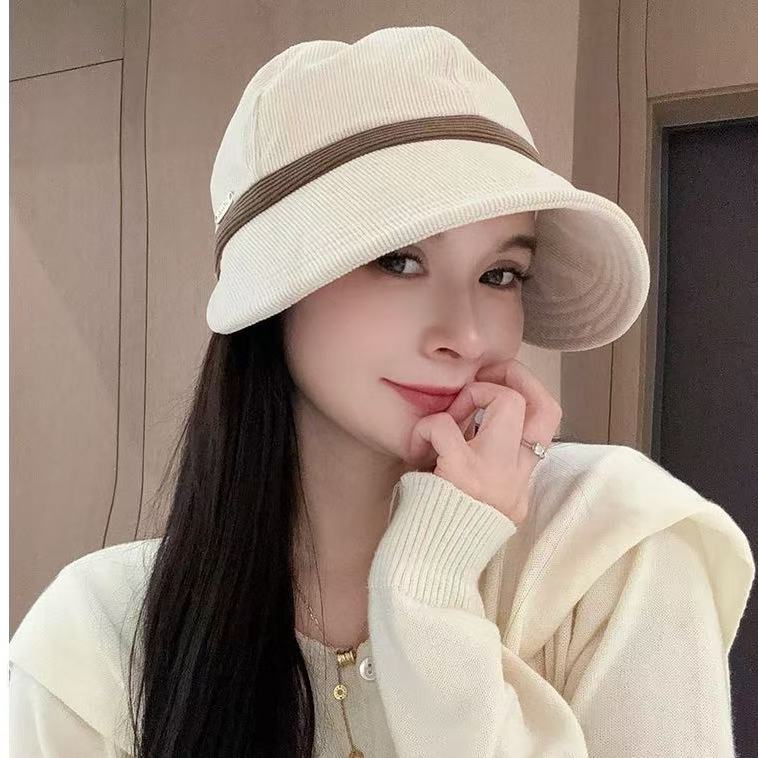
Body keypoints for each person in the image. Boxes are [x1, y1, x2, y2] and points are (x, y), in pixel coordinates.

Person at [9, 24, 754, 758]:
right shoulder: (97, 639)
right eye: (398, 261)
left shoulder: (612, 545)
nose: (466, 334)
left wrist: (431, 589)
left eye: (501, 274)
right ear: (275, 294)